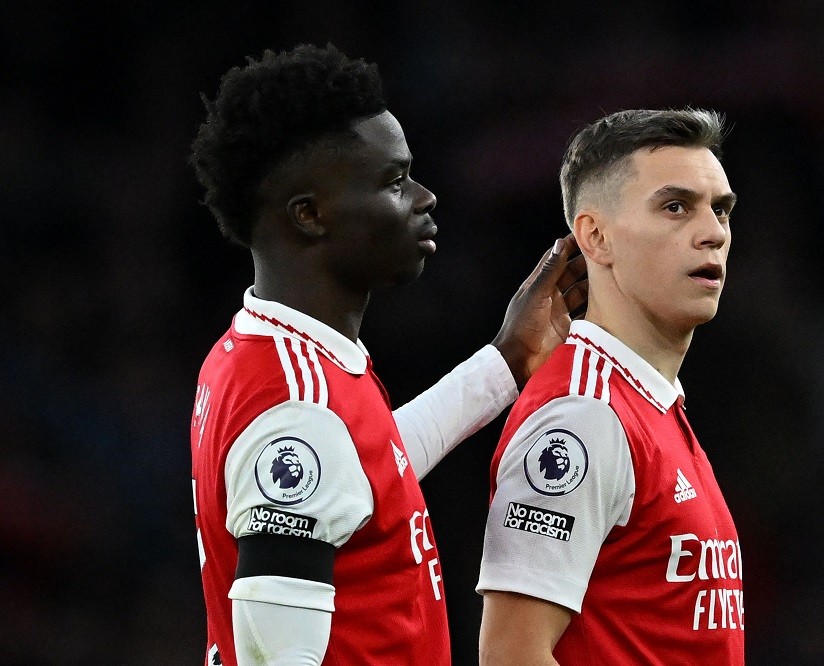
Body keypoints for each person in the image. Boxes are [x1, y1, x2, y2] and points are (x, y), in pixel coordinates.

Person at [187, 43, 585, 666]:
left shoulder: (269, 356)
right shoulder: (298, 405)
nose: (424, 197)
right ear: (310, 215)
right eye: (394, 181)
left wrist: (507, 361)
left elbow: (361, 477)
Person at [477, 108, 744, 664]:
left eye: (721, 209)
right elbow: (510, 654)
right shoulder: (583, 416)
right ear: (595, 237)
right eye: (676, 207)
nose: (713, 232)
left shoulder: (649, 404)